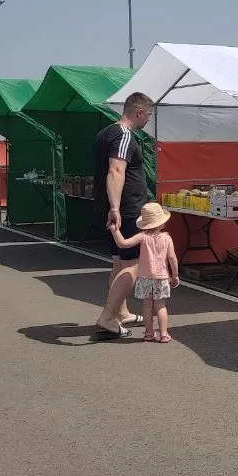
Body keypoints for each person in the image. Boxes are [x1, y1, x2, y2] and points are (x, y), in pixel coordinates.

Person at [93, 92, 154, 336]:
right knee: (135, 265)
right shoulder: (124, 135)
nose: (148, 119)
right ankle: (108, 317)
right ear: (139, 112)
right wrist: (116, 209)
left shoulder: (105, 133)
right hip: (126, 210)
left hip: (114, 209)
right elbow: (116, 170)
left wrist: (111, 208)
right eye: (148, 114)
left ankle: (121, 312)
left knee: (119, 263)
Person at [110, 202, 179, 343]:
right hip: (161, 277)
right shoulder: (167, 238)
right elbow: (172, 258)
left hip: (144, 278)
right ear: (161, 222)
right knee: (160, 306)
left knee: (147, 306)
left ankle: (149, 333)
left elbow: (123, 244)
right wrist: (175, 275)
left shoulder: (142, 236)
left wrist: (114, 230)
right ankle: (164, 333)